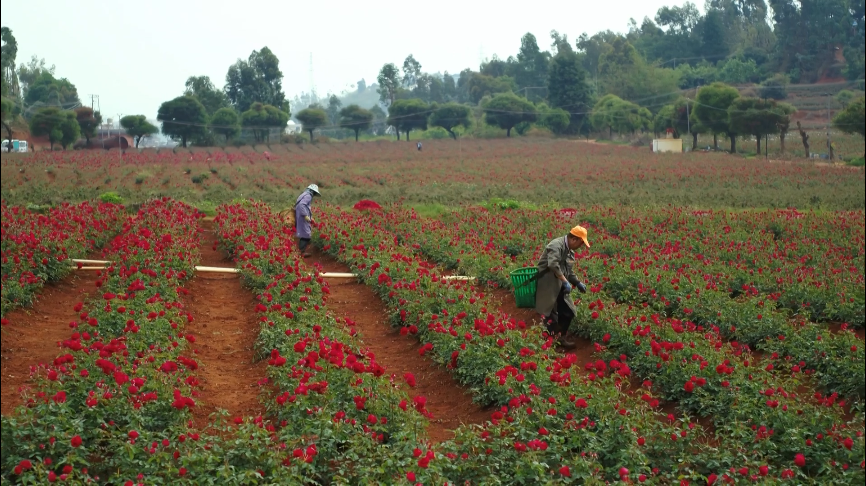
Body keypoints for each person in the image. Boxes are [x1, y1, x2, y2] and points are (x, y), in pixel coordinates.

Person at [534, 225, 589, 349]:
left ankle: (560, 338)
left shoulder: (570, 252)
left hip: (559, 285)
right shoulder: (556, 245)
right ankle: (550, 345)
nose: (580, 247)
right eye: (581, 243)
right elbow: (553, 264)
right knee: (550, 316)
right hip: (547, 285)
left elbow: (567, 271)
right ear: (574, 239)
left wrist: (577, 282)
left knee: (568, 312)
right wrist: (565, 281)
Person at [294, 183, 320, 257]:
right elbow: (302, 205)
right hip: (302, 217)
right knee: (306, 234)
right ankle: (301, 252)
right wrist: (305, 215)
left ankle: (300, 250)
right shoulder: (308, 196)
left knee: (304, 233)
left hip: (300, 216)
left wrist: (310, 217)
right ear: (313, 191)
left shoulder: (303, 194)